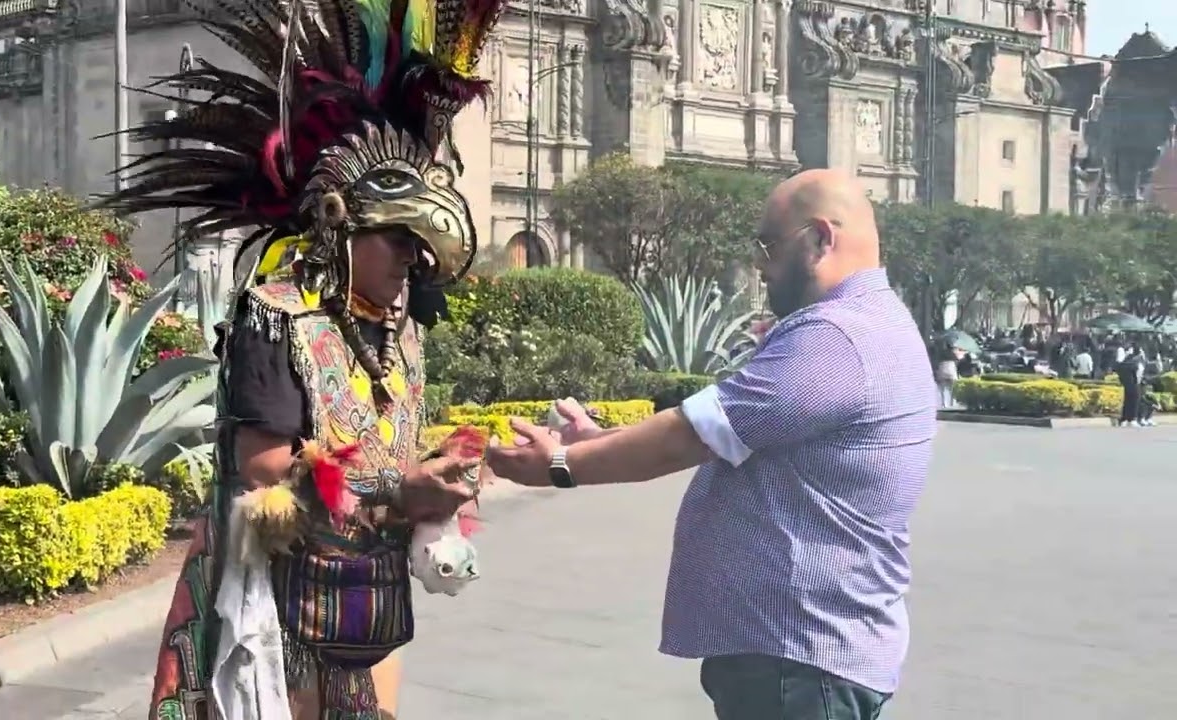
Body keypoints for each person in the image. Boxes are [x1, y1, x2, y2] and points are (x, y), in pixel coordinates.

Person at [97, 1, 508, 717]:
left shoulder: (402, 332)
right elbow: (262, 471)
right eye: (396, 241)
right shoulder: (277, 316)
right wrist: (398, 491)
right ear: (341, 229)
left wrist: (443, 477)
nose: (410, 261)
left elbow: (394, 443)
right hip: (274, 604)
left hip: (365, 605)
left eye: (418, 248)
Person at [488, 169, 937, 720]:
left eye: (768, 247)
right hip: (804, 654)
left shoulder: (839, 336)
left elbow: (692, 436)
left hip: (799, 659)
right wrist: (600, 439)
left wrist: (562, 464)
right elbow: (730, 430)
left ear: (820, 239)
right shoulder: (872, 324)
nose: (761, 268)